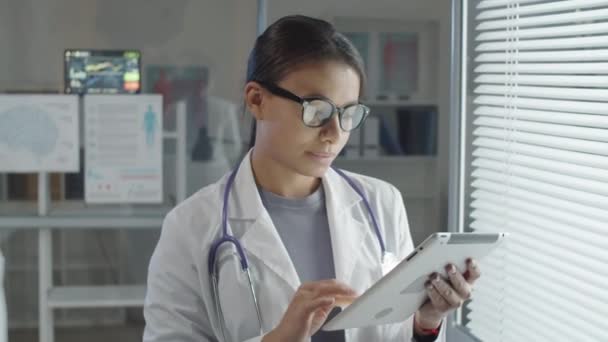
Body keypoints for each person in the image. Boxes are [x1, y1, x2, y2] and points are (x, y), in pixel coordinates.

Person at [143, 15, 480, 342]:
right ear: (256, 99)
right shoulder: (191, 227)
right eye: (317, 110)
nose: (334, 133)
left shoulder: (381, 201)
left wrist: (426, 322)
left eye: (348, 113)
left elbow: (394, 329)